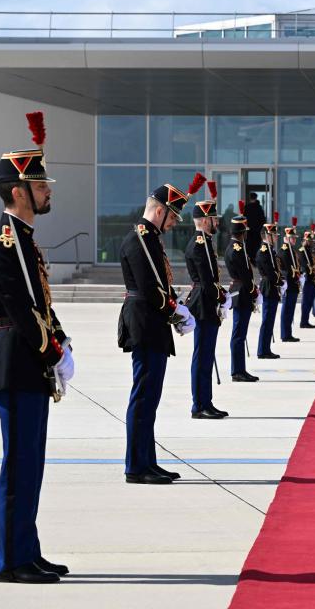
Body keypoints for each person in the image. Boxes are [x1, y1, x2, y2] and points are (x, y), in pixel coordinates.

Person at [0, 111, 75, 583]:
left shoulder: (24, 241)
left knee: (31, 468)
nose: (48, 191)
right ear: (19, 191)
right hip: (16, 365)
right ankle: (11, 561)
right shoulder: (2, 245)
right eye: (40, 186)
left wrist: (61, 337)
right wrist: (52, 350)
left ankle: (26, 550)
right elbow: (20, 313)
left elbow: (39, 302)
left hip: (28, 366)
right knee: (18, 469)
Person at [119, 177, 195, 484]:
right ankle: (137, 465)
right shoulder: (142, 237)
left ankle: (147, 460)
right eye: (173, 216)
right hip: (145, 322)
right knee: (144, 397)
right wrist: (176, 313)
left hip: (151, 321)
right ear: (161, 211)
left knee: (150, 398)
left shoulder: (149, 237)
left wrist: (175, 309)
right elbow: (152, 289)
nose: (174, 223)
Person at [185, 179, 230, 420]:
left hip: (207, 302)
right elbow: (206, 279)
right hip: (203, 304)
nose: (217, 223)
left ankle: (206, 401)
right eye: (214, 219)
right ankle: (199, 404)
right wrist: (220, 298)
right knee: (202, 356)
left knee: (206, 356)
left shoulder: (206, 243)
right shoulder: (200, 244)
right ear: (204, 220)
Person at [224, 202, 259, 383]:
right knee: (239, 334)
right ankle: (237, 370)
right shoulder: (237, 249)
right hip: (242, 292)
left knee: (240, 333)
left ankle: (240, 369)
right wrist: (253, 290)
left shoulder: (237, 247)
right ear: (242, 232)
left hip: (241, 291)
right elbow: (245, 275)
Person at [256, 215, 282, 359]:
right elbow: (270, 272)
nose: (276, 238)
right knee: (267, 320)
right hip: (268, 286)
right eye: (273, 235)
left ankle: (266, 348)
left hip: (272, 286)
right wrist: (280, 281)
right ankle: (262, 350)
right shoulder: (264, 252)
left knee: (270, 320)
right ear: (267, 236)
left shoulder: (270, 251)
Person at [279, 219, 301, 343]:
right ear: (286, 238)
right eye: (292, 238)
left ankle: (288, 333)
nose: (294, 240)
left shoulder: (291, 250)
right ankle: (285, 334)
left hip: (293, 284)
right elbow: (285, 269)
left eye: (294, 238)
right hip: (289, 284)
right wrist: (294, 275)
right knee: (287, 310)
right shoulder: (284, 251)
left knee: (290, 310)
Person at [298, 227, 315, 329]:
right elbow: (303, 264)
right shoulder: (302, 251)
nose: (311, 243)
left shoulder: (310, 251)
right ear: (305, 240)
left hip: (312, 278)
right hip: (307, 279)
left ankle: (306, 320)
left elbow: (314, 262)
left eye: (311, 241)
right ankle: (303, 321)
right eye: (309, 241)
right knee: (306, 302)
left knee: (310, 301)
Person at [243, 192, 267, 259]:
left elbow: (244, 219)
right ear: (256, 198)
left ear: (250, 198)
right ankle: (255, 259)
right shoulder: (259, 208)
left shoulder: (246, 207)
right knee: (256, 245)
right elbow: (263, 220)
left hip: (249, 231)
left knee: (249, 245)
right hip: (257, 231)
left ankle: (250, 259)